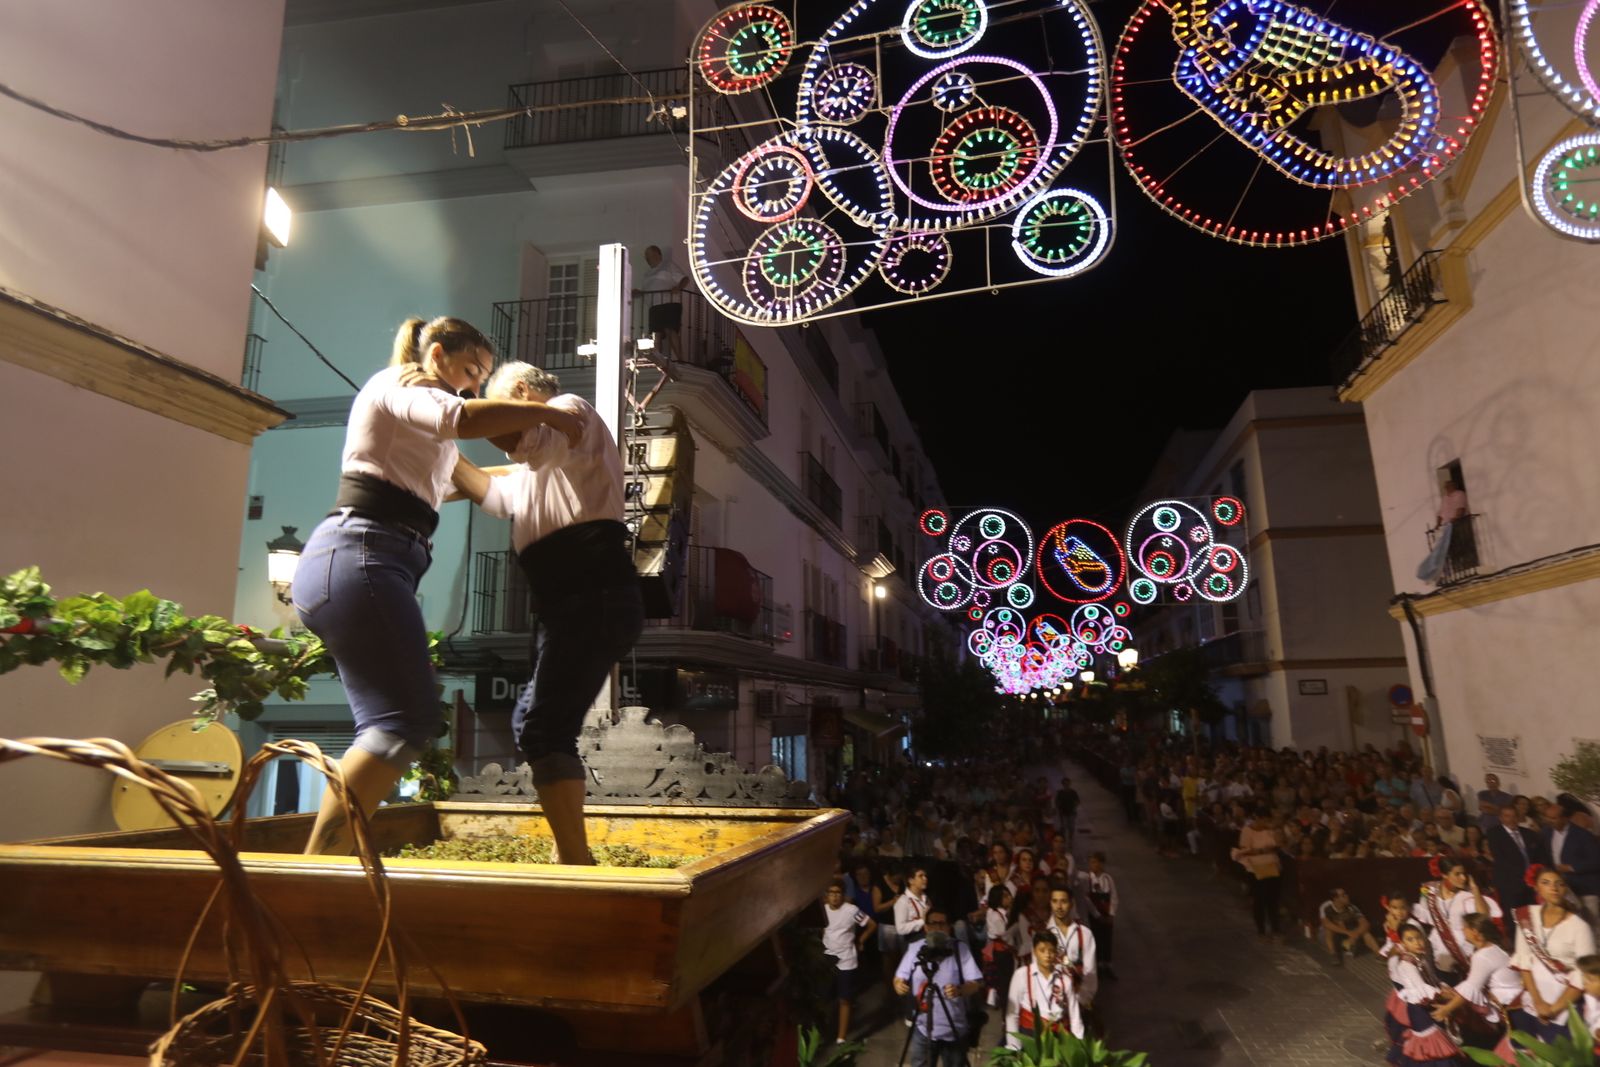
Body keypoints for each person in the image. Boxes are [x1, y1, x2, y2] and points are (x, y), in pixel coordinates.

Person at [291, 317, 582, 856]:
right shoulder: (403, 386)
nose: (474, 383)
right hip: (360, 555)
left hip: (372, 561)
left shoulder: (431, 431)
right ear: (439, 354)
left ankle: (325, 861)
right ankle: (318, 865)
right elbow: (463, 417)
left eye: (483, 375)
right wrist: (549, 413)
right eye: (472, 369)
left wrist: (562, 474)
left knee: (398, 723)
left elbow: (482, 484)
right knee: (402, 723)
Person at [451, 361, 643, 865]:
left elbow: (515, 438)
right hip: (569, 602)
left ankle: (575, 862)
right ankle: (571, 854)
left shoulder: (567, 412)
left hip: (591, 591)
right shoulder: (537, 469)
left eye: (498, 403)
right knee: (531, 726)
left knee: (544, 731)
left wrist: (449, 411)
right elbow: (491, 494)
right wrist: (437, 452)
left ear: (518, 393)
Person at [1510, 866, 1596, 1044]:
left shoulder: (1580, 926)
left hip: (1565, 1005)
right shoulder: (1526, 916)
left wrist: (1554, 1009)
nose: (1554, 888)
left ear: (1565, 888)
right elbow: (1524, 961)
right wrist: (1538, 1002)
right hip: (1533, 1002)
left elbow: (1584, 974)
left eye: (1559, 884)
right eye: (1546, 883)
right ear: (1536, 887)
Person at [893, 907, 984, 1067]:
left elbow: (976, 983)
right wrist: (898, 984)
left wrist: (960, 990)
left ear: (949, 927)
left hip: (954, 1028)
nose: (938, 928)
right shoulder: (915, 949)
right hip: (922, 1027)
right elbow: (899, 977)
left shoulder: (960, 949)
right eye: (933, 924)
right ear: (926, 927)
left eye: (942, 924)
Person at [1428, 913, 1522, 1047]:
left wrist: (1447, 1009)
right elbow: (1472, 985)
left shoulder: (1482, 956)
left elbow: (1472, 988)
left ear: (1475, 932)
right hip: (1513, 1004)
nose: (1462, 930)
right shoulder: (1493, 948)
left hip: (1510, 1008)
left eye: (1465, 927)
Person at [1384, 923, 1462, 1066]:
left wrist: (1443, 987)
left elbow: (1432, 980)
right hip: (1419, 1010)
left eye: (1419, 938)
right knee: (1431, 1047)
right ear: (1402, 943)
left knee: (1436, 1043)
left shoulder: (1420, 958)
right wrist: (1446, 995)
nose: (1417, 943)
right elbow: (1422, 988)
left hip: (1428, 1005)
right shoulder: (1406, 964)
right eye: (1410, 940)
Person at [1417, 857, 1502, 980]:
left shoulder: (1467, 895)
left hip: (1463, 951)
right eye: (1457, 874)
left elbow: (1484, 915)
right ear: (1444, 874)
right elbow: (1424, 913)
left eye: (1464, 873)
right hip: (1439, 950)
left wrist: (1475, 891)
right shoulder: (1427, 890)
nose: (1463, 878)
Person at [1005, 932, 1084, 1048]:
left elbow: (1074, 1012)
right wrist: (1014, 1046)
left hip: (1058, 1034)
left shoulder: (1064, 979)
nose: (1047, 955)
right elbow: (1012, 1014)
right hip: (1030, 1033)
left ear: (1056, 952)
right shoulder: (1022, 975)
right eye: (1042, 950)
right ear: (1034, 951)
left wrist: (1079, 1042)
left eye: (1051, 951)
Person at [822, 879, 876, 1046]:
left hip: (846, 959)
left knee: (844, 998)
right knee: (823, 998)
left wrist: (861, 940)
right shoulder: (822, 910)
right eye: (831, 893)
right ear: (827, 895)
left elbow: (872, 925)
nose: (834, 896)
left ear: (843, 895)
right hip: (826, 957)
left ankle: (841, 1036)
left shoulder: (851, 910)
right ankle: (823, 1032)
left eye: (837, 893)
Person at [1488, 803, 1551, 915]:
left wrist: (1538, 874)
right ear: (1501, 818)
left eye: (1514, 816)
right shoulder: (1494, 834)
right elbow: (1501, 860)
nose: (1511, 819)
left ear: (1518, 817)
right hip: (1510, 885)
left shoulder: (1529, 833)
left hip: (1532, 884)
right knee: (1515, 917)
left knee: (1535, 914)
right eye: (1507, 816)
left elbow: (1540, 856)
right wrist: (1525, 875)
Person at [1544, 801, 1600, 919]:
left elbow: (1596, 861)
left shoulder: (1582, 834)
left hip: (1585, 887)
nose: (1550, 821)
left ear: (1564, 818)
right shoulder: (1547, 833)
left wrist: (1571, 867)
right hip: (1562, 888)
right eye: (1548, 818)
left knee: (1592, 923)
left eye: (1553, 818)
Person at [632, 244, 689, 361]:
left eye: (650, 255)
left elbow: (685, 279)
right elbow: (647, 290)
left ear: (658, 254)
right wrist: (639, 292)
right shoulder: (647, 274)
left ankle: (680, 359)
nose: (648, 258)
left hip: (669, 303)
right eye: (646, 256)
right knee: (655, 334)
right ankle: (658, 359)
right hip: (654, 306)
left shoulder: (668, 265)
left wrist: (678, 287)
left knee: (670, 330)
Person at [1235, 806, 1284, 940]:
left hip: (1272, 866)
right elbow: (1244, 849)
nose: (1265, 822)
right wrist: (1262, 851)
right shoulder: (1248, 830)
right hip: (1255, 868)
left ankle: (1276, 928)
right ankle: (1261, 930)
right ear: (1257, 818)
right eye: (1264, 820)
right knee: (1259, 900)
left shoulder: (1270, 830)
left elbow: (1278, 844)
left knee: (1273, 899)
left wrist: (1275, 835)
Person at [1045, 885, 1098, 1007]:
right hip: (1051, 1005)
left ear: (1071, 903)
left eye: (1063, 901)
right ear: (1050, 903)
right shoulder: (1043, 935)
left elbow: (1090, 973)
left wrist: (1080, 1001)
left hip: (1079, 1002)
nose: (1059, 907)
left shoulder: (1085, 934)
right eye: (1055, 901)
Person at [1078, 852, 1119, 980]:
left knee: (1107, 939)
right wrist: (1096, 914)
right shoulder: (1087, 879)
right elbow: (1087, 899)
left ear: (1101, 864)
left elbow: (1114, 897)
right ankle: (1098, 966)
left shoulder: (1108, 879)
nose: (1092, 865)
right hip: (1095, 915)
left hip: (1106, 913)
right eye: (1091, 862)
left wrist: (1111, 914)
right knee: (1096, 939)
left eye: (1095, 862)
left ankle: (1108, 965)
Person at [980, 884, 1020, 1011]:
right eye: (1006, 896)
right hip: (1000, 951)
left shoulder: (1003, 913)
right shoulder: (994, 915)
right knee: (1003, 981)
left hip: (1005, 949)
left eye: (1009, 895)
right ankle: (1005, 1008)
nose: (1010, 898)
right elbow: (1004, 935)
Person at [1319, 888, 1381, 965]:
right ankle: (1333, 954)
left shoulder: (1352, 907)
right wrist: (1348, 932)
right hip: (1328, 938)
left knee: (1366, 933)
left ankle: (1380, 955)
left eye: (1346, 894)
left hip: (1347, 937)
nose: (1347, 896)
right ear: (1336, 898)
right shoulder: (1326, 906)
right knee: (1329, 929)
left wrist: (1356, 934)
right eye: (1343, 895)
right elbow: (1326, 924)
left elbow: (1365, 923)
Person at [1056, 778, 1081, 848]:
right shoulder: (1060, 793)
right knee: (1064, 827)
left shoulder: (1073, 792)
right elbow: (1057, 802)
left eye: (1067, 784)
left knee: (1071, 827)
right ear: (1063, 784)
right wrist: (1059, 809)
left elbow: (1078, 801)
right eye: (1065, 784)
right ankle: (1063, 840)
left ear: (1069, 784)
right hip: (1063, 813)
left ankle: (1070, 840)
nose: (1066, 785)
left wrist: (1074, 806)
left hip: (1071, 813)